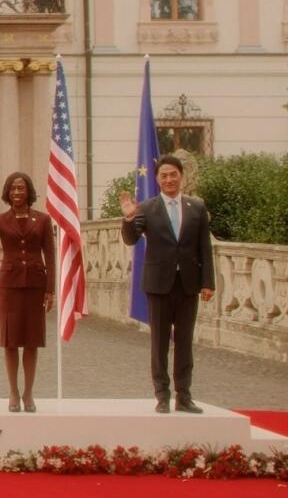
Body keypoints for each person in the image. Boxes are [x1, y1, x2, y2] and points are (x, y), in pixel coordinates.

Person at [120, 154, 215, 414]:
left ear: (181, 177)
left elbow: (204, 248)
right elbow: (130, 239)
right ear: (157, 179)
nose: (169, 179)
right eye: (164, 175)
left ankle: (184, 396)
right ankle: (161, 395)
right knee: (159, 343)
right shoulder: (146, 208)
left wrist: (208, 282)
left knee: (184, 342)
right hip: (158, 285)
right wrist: (128, 218)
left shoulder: (196, 208)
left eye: (173, 174)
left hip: (188, 285)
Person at [0, 172, 55, 413]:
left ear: (29, 191)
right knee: (10, 341)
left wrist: (50, 289)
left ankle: (28, 393)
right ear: (7, 194)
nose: (17, 193)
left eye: (21, 188)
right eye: (13, 189)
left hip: (35, 285)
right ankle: (13, 392)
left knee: (32, 341)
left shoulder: (42, 220)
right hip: (9, 286)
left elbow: (50, 254)